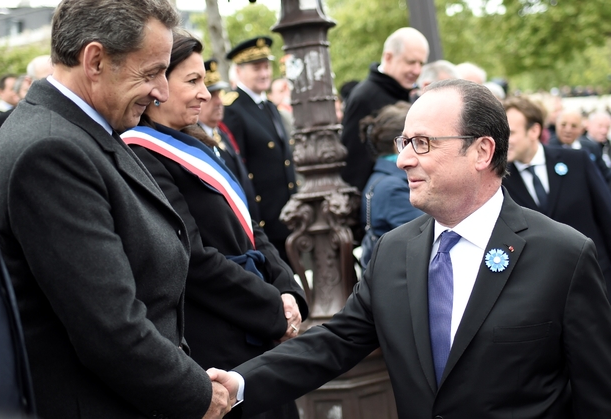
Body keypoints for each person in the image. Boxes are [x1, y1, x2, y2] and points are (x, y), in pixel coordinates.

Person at [210, 79, 611, 418]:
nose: (402, 159)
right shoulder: (394, 251)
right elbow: (333, 343)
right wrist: (239, 383)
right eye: (404, 141)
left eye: (422, 143)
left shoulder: (563, 255)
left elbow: (597, 395)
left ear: (482, 151)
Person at [0, 1, 231, 418]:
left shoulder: (87, 128)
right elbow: (110, 328)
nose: (161, 92)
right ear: (95, 60)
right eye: (150, 72)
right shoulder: (51, 150)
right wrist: (197, 395)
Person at [121, 32, 308, 419]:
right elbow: (192, 258)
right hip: (219, 341)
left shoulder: (200, 144)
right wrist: (272, 309)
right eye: (192, 82)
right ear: (156, 85)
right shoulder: (140, 155)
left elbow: (252, 230)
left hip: (258, 328)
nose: (205, 94)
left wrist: (288, 291)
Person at [501, 96, 611, 298]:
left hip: (594, 282)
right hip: (542, 294)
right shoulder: (500, 180)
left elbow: (606, 215)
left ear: (533, 131)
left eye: (510, 133)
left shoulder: (577, 161)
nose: (502, 141)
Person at [222, 36, 297, 264]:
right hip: (263, 219)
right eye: (257, 68)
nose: (264, 73)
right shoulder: (234, 109)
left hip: (285, 216)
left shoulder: (269, 106)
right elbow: (238, 167)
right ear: (239, 71)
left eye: (266, 66)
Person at [340, 27, 429, 192]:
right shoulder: (364, 97)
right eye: (410, 62)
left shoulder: (410, 94)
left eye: (421, 63)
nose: (417, 70)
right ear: (388, 57)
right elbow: (354, 163)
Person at [358, 101, 423, 268]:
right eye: (418, 141)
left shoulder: (385, 178)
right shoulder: (392, 187)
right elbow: (423, 241)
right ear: (399, 145)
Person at [198, 58, 259, 220]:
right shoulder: (194, 142)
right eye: (211, 95)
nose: (219, 102)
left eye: (219, 94)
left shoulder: (221, 132)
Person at [550, 109, 611, 185]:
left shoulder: (591, 148)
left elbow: (606, 175)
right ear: (556, 125)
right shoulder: (548, 148)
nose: (568, 130)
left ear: (581, 129)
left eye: (574, 126)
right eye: (563, 125)